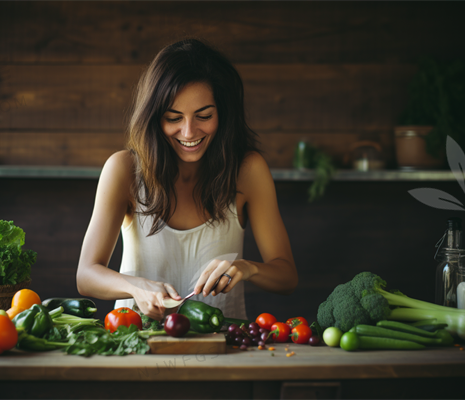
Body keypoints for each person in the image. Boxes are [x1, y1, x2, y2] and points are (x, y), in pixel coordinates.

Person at [76, 38, 298, 322]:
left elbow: (287, 277)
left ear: (223, 114)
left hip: (220, 350)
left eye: (204, 115)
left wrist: (247, 268)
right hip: (134, 345)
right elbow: (86, 275)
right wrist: (136, 286)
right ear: (154, 118)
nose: (189, 132)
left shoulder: (248, 171)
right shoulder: (123, 169)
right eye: (174, 118)